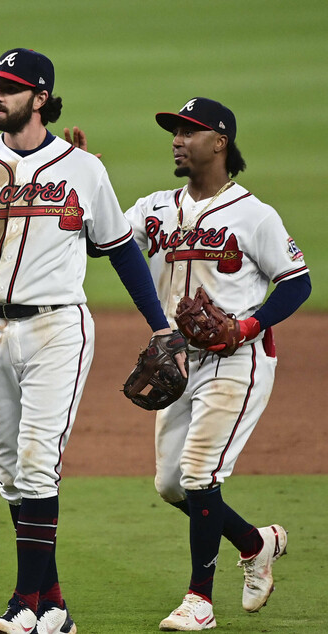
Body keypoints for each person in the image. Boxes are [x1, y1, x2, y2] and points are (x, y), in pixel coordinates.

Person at [0, 48, 183, 634]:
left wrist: (161, 325)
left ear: (40, 98)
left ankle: (24, 605)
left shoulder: (83, 169)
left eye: (8, 87)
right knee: (10, 473)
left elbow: (121, 248)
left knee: (35, 464)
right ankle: (54, 606)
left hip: (58, 329)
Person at [120, 98, 310, 630]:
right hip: (178, 362)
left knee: (200, 473)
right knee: (172, 484)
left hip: (238, 359)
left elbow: (297, 282)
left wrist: (247, 326)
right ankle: (257, 544)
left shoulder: (254, 214)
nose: (177, 139)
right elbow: (103, 240)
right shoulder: (154, 207)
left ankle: (199, 600)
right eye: (174, 131)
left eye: (189, 131)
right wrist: (87, 193)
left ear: (220, 142)